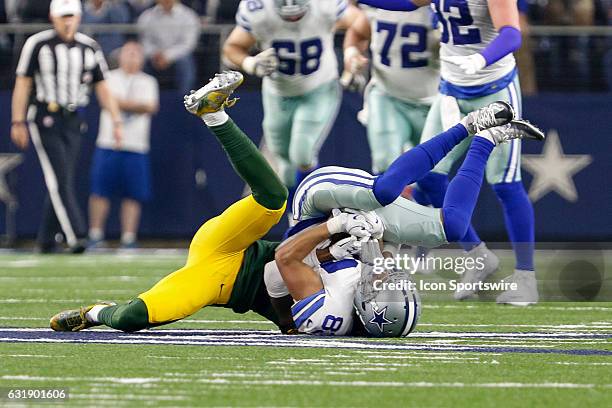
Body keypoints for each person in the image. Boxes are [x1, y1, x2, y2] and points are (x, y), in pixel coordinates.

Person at [49, 71, 375, 334]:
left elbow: (282, 267)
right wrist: (348, 235)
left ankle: (93, 313)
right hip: (234, 244)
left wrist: (335, 228)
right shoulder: (359, 275)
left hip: (218, 282)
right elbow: (298, 253)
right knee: (274, 199)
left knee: (131, 317)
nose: (375, 292)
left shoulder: (332, 319)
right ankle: (213, 114)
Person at [356, 0, 539, 305]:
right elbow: (403, 3)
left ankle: (526, 277)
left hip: (494, 87)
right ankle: (478, 255)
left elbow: (512, 34)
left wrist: (481, 60)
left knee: (506, 185)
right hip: (451, 90)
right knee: (428, 177)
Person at [222, 0, 362, 208]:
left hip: (319, 87)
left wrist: (352, 52)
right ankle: (296, 218)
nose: (293, 15)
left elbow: (360, 22)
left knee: (302, 153)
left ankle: (314, 211)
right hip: (278, 93)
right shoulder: (259, 10)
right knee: (283, 163)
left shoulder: (324, 5)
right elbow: (232, 47)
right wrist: (250, 63)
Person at [10, 0, 122, 253]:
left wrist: (116, 120)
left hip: (73, 119)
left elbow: (102, 86)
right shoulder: (38, 44)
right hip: (44, 116)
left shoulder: (89, 47)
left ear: (79, 17)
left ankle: (46, 240)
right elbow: (23, 83)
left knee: (63, 179)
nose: (68, 21)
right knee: (59, 178)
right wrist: (18, 121)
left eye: (71, 16)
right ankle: (75, 236)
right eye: (63, 16)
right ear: (53, 17)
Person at [342, 6, 439, 174]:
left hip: (432, 102)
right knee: (385, 166)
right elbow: (358, 32)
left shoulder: (440, 9)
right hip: (387, 96)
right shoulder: (382, 5)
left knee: (430, 174)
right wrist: (351, 54)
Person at [88, 41, 159, 249]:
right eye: (128, 53)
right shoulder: (109, 77)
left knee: (134, 194)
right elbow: (106, 101)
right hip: (109, 143)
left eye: (136, 54)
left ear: (142, 59)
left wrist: (119, 103)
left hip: (136, 146)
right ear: (120, 56)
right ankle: (95, 234)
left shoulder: (148, 81)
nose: (131, 58)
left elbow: (151, 106)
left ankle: (128, 237)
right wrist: (135, 106)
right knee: (100, 191)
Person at [137, 0, 200, 94]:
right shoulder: (147, 16)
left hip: (177, 56)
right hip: (153, 56)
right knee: (140, 60)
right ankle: (144, 96)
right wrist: (155, 53)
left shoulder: (189, 16)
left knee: (185, 62)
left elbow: (188, 44)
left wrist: (167, 56)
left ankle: (184, 99)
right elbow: (144, 41)